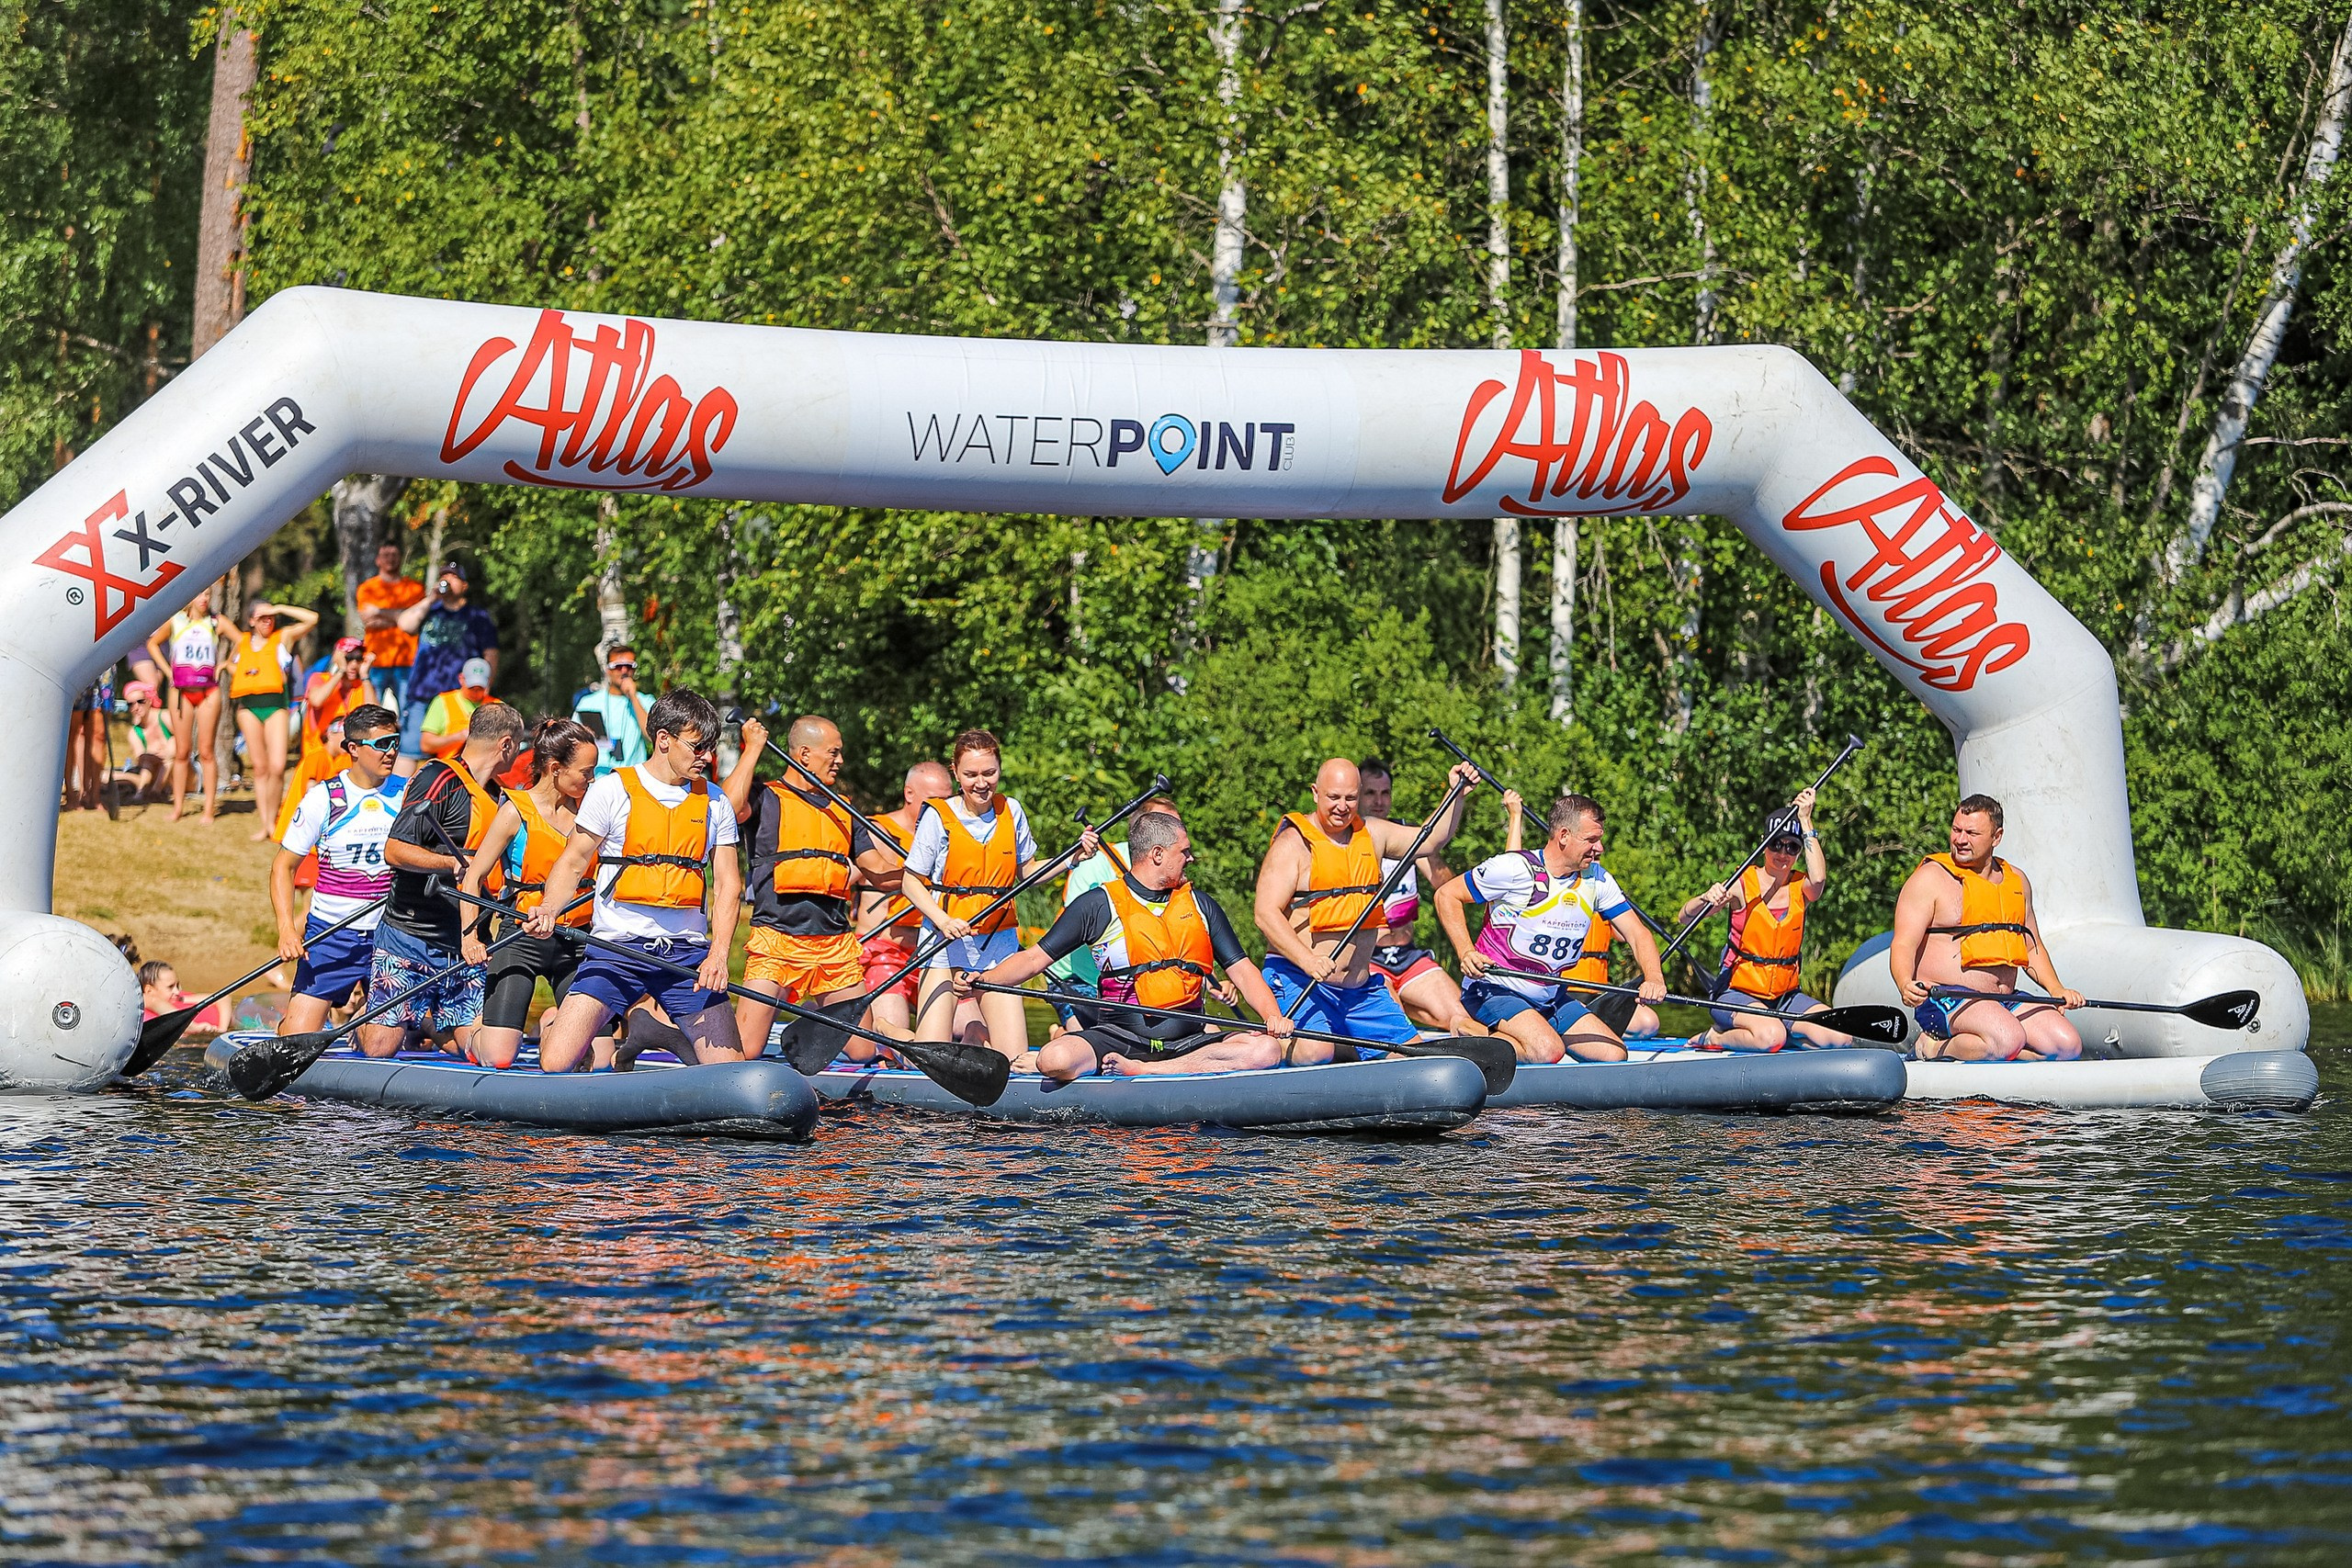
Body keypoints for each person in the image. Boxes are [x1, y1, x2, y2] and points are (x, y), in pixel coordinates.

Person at [955, 810, 1323, 1082]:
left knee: (1266, 1049)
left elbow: (1241, 967)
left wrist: (1272, 1016)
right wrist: (982, 978)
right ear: (1158, 854)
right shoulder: (1098, 904)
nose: (1191, 858)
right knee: (1055, 1059)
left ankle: (1149, 1071)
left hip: (1188, 1039)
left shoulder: (1201, 904)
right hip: (1118, 1037)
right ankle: (1100, 1062)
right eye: (1185, 851)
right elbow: (1035, 959)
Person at [521, 689, 745, 1072]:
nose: (706, 757)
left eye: (710, 747)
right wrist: (548, 909)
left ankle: (647, 1026)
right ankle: (554, 1023)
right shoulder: (611, 789)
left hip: (686, 955)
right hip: (616, 950)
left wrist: (719, 955)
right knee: (555, 1065)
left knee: (731, 1072)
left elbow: (729, 886)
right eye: (696, 746)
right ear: (663, 740)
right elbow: (574, 861)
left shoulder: (716, 802)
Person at [1250, 757, 1476, 1054]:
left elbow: (1430, 840)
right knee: (1315, 1054)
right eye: (1333, 797)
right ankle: (1286, 1051)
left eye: (1350, 798)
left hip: (1359, 991)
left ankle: (1351, 1051)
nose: (1342, 807)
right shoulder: (1292, 845)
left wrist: (1455, 794)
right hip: (1301, 979)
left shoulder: (1373, 832)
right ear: (1316, 793)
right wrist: (1308, 960)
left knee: (1413, 1058)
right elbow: (1265, 914)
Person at [719, 714, 910, 1061]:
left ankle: (808, 1022)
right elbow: (728, 808)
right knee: (744, 1053)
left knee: (863, 1052)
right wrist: (754, 748)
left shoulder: (844, 810)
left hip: (834, 946)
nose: (840, 761)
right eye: (833, 753)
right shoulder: (765, 798)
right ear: (805, 755)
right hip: (776, 941)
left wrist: (924, 875)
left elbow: (880, 872)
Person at [1434, 794, 1668, 1064]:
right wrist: (1465, 952)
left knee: (1614, 1055)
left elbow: (1638, 934)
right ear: (1564, 835)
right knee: (1547, 1051)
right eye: (1591, 840)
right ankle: (1467, 1027)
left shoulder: (1598, 879)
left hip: (1551, 996)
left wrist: (1654, 977)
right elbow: (1446, 895)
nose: (1600, 848)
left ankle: (1532, 1035)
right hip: (1495, 989)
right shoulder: (1514, 868)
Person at [366, 701, 527, 1058]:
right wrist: (450, 864)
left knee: (472, 1049)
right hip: (410, 936)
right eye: (517, 746)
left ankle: (425, 1023)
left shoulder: (500, 799)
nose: (517, 754)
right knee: (380, 1048)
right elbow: (394, 850)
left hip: (467, 943)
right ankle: (371, 1021)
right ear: (505, 745)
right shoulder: (437, 778)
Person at [894, 728, 1059, 1062]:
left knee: (1014, 1060)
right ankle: (889, 1032)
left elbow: (1026, 873)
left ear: (999, 769)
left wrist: (1070, 859)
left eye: (989, 773)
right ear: (955, 772)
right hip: (944, 942)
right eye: (970, 774)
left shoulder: (1010, 810)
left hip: (997, 945)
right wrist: (942, 920)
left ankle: (973, 1034)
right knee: (929, 1058)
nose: (981, 783)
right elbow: (910, 882)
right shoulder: (937, 817)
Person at [1890, 794, 2084, 1061]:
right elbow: (1903, 943)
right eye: (1956, 830)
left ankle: (2007, 1056)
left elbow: (2032, 947)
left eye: (1971, 833)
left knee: (2067, 1046)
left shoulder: (2018, 881)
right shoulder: (1930, 879)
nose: (1960, 839)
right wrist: (1904, 983)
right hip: (1945, 998)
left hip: (2003, 1000)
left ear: (1997, 836)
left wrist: (2056, 989)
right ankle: (1932, 1047)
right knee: (2006, 1038)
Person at [460, 716, 605, 1070]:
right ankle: (467, 1034)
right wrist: (469, 937)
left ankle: (551, 1023)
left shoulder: (592, 811)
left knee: (599, 1061)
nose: (592, 780)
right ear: (555, 768)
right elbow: (472, 877)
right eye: (586, 772)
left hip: (575, 938)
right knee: (499, 1057)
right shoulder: (514, 811)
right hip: (520, 938)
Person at [1671, 787, 1851, 1051]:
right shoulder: (1741, 884)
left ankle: (1785, 1031)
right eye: (1776, 844)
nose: (1783, 853)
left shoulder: (1802, 886)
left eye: (1792, 846)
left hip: (1785, 998)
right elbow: (1684, 917)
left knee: (1840, 1036)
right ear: (1764, 844)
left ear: (1800, 851)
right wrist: (1706, 898)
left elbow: (1820, 879)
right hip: (1736, 993)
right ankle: (1714, 1038)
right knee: (1771, 1036)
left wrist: (1806, 820)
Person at [268, 704, 406, 1037]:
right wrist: (287, 929)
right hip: (332, 934)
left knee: (381, 1043)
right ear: (354, 749)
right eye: (381, 745)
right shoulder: (323, 799)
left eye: (395, 742)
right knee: (295, 1039)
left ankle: (365, 1023)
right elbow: (283, 867)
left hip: (390, 934)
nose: (391, 752)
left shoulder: (407, 793)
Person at [1354, 760, 1489, 1037]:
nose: (1379, 801)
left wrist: (1457, 794)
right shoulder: (1347, 841)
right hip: (1366, 959)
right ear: (1356, 796)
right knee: (1397, 1027)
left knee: (1462, 1017)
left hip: (1407, 956)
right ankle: (1400, 1005)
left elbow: (1445, 882)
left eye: (1385, 793)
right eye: (1370, 793)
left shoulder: (1404, 833)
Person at [1039, 795, 1184, 1037]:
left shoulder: (1172, 869)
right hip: (1077, 978)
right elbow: (1080, 929)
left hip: (1132, 982)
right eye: (1166, 825)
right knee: (1086, 1045)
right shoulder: (1096, 863)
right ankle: (1062, 1033)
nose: (1177, 833)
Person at [854, 759, 956, 1035]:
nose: (942, 808)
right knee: (894, 1044)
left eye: (948, 800)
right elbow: (840, 878)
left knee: (973, 1032)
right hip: (886, 957)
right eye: (934, 800)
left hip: (935, 954)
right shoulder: (878, 833)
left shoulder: (952, 833)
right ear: (909, 794)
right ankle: (878, 1026)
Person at [225, 599, 321, 841]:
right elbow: (234, 665)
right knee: (260, 768)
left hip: (276, 706)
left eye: (270, 617)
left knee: (277, 766)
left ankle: (275, 821)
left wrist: (279, 608)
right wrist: (235, 670)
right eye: (262, 617)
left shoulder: (283, 638)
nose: (267, 621)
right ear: (251, 621)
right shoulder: (243, 642)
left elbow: (312, 619)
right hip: (248, 709)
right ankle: (266, 823)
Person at [394, 559, 498, 774]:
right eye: (444, 576)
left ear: (465, 585)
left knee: (455, 756)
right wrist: (431, 598)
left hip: (457, 698)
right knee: (410, 752)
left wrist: (488, 683)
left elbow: (491, 652)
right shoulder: (431, 610)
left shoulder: (477, 616)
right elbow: (405, 624)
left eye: (454, 577)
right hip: (422, 693)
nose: (448, 580)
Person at [145, 588, 232, 822]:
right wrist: (167, 671)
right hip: (181, 692)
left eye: (208, 595)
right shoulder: (177, 620)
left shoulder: (216, 622)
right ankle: (178, 807)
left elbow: (243, 641)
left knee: (206, 751)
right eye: (200, 594)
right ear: (190, 597)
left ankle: (208, 809)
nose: (204, 599)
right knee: (182, 752)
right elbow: (153, 644)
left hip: (208, 691)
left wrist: (224, 664)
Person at [356, 540, 424, 716]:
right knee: (372, 713)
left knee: (409, 713)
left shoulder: (414, 588)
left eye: (394, 555)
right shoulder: (367, 589)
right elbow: (367, 620)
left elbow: (417, 619)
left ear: (401, 558)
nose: (390, 559)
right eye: (386, 555)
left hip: (407, 661)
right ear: (378, 560)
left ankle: (407, 745)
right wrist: (402, 617)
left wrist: (379, 612)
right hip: (375, 660)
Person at [572, 646, 655, 775]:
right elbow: (574, 742)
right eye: (618, 666)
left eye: (629, 666)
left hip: (634, 780)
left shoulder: (645, 701)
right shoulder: (588, 703)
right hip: (599, 778)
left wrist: (633, 696)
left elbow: (652, 735)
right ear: (608, 670)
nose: (624, 671)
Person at [302, 637, 378, 756]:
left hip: (348, 762)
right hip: (318, 757)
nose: (353, 665)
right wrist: (340, 670)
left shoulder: (363, 687)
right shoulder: (320, 678)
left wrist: (365, 676)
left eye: (358, 659)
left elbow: (375, 718)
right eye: (348, 658)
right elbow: (316, 701)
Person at [420, 657, 492, 760]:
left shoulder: (497, 706)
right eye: (472, 687)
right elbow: (426, 745)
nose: (475, 691)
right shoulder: (443, 702)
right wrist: (457, 737)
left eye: (480, 687)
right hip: (449, 766)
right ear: (461, 679)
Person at [64, 665, 115, 812]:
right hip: (78, 658)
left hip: (105, 661)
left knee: (99, 733)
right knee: (73, 732)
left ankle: (94, 795)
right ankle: (71, 794)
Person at [116, 682, 174, 803]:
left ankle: (152, 792)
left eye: (140, 701)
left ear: (150, 700)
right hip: (154, 773)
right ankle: (144, 792)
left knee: (173, 744)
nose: (136, 707)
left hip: (177, 772)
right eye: (130, 704)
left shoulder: (164, 716)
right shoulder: (134, 732)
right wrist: (156, 755)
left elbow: (183, 743)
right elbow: (141, 758)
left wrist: (165, 753)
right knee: (147, 761)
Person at [138, 960, 229, 1035]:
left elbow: (223, 997)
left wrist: (222, 1030)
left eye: (177, 985)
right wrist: (194, 1028)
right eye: (170, 987)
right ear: (149, 990)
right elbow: (155, 1002)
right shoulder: (143, 1001)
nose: (177, 991)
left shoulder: (180, 998)